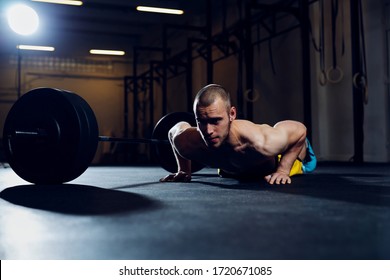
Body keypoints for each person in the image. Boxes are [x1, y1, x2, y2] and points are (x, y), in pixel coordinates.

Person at [159, 84, 317, 185]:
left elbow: (299, 129)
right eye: (201, 121)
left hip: (279, 159)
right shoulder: (187, 141)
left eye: (216, 121)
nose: (208, 131)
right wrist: (184, 170)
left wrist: (283, 170)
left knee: (296, 145)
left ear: (232, 114)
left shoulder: (262, 142)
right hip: (235, 168)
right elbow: (175, 130)